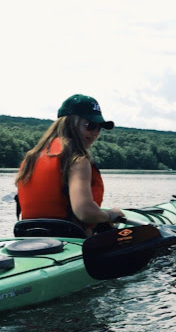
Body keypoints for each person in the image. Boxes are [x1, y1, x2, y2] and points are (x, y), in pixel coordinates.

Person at [15, 94, 124, 235]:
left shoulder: (30, 158)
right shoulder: (77, 160)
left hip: (29, 238)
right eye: (91, 126)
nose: (95, 133)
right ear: (71, 123)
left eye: (99, 128)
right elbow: (85, 211)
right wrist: (109, 215)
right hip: (67, 238)